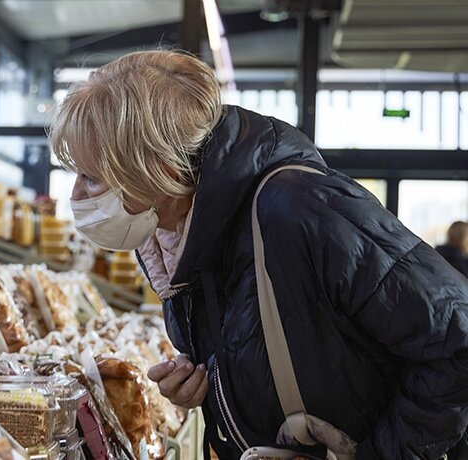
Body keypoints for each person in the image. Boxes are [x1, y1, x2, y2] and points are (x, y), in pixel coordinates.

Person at [50, 50, 468, 459]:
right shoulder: (172, 235)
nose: (77, 195)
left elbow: (457, 338)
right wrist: (206, 385)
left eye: (91, 176)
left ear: (157, 166)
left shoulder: (299, 208)